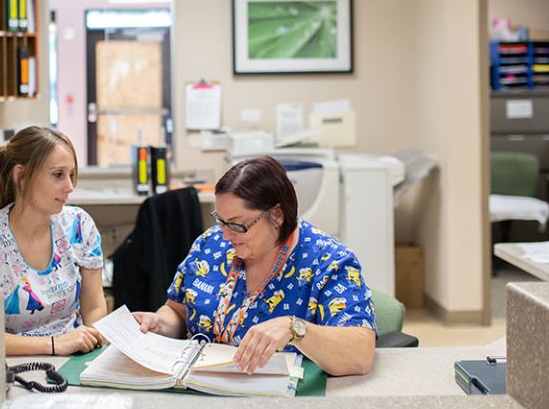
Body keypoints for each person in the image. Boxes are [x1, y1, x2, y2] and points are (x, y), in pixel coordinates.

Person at [134, 155, 376, 376]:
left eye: (238, 225)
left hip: (286, 403)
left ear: (277, 215)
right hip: (202, 389)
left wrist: (295, 329)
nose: (226, 236)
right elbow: (178, 310)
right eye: (221, 221)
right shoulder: (210, 245)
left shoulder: (327, 262)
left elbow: (360, 354)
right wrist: (160, 323)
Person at [0, 126, 106, 356]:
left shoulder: (79, 225)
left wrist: (94, 343)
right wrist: (55, 345)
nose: (70, 187)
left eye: (71, 175)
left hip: (73, 359)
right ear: (21, 176)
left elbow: (94, 306)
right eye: (58, 175)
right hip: (13, 366)